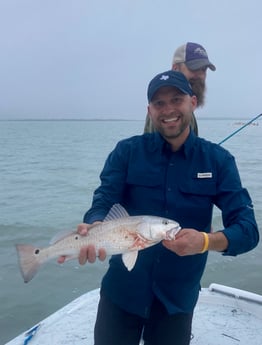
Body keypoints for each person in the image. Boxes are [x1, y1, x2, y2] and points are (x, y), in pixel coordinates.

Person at [59, 71, 259, 345]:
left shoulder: (218, 160)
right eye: (159, 103)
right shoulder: (126, 152)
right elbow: (104, 200)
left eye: (176, 100)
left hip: (176, 301)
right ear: (149, 110)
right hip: (121, 294)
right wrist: (95, 225)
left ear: (192, 102)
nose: (168, 110)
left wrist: (205, 241)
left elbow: (248, 231)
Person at [144, 42, 216, 135]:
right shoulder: (162, 113)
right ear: (175, 69)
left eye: (203, 69)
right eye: (194, 68)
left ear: (193, 103)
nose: (200, 76)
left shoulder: (186, 107)